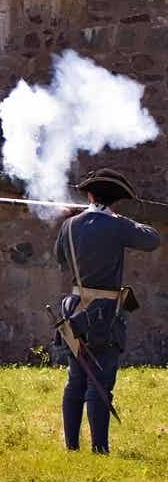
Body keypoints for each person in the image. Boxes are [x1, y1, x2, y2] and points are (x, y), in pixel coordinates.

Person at [54, 168, 160, 454]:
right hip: (104, 313)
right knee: (99, 380)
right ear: (115, 201)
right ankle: (99, 449)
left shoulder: (69, 225)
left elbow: (61, 259)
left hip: (75, 310)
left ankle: (72, 447)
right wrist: (119, 222)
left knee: (76, 379)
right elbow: (152, 239)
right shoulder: (118, 226)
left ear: (90, 195)